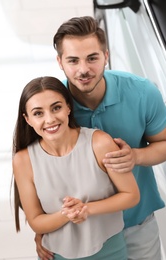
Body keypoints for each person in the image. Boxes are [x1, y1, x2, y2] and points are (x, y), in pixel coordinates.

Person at [36, 16, 166, 260]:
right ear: (60, 62)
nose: (84, 70)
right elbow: (37, 172)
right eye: (73, 60)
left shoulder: (142, 92)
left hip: (136, 225)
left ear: (106, 55)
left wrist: (135, 156)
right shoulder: (50, 108)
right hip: (82, 229)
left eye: (92, 58)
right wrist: (43, 229)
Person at [12, 76, 140, 259]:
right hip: (58, 254)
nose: (49, 119)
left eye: (56, 108)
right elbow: (36, 222)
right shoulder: (23, 160)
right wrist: (68, 214)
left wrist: (86, 209)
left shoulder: (100, 143)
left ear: (68, 108)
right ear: (28, 119)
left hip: (110, 250)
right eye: (38, 113)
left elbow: (131, 195)